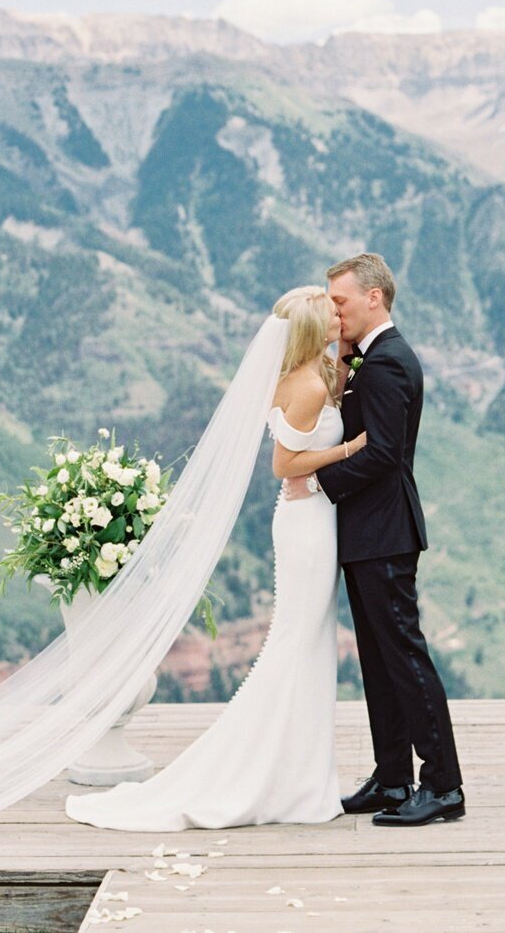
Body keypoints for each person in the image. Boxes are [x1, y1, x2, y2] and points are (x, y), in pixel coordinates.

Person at [64, 286, 366, 830]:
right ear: (309, 330)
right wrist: (351, 448)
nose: (337, 317)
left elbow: (324, 388)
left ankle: (299, 776)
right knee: (300, 641)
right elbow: (285, 463)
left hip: (311, 519)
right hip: (308, 523)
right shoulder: (306, 387)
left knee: (307, 641)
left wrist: (342, 358)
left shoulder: (304, 375)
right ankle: (288, 780)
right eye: (329, 313)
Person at [283, 254, 464, 826]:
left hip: (385, 532)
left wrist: (315, 479)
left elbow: (383, 453)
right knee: (379, 661)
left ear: (374, 298)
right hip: (367, 531)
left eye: (339, 301)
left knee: (405, 658)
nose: (333, 312)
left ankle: (443, 785)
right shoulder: (368, 359)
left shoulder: (386, 364)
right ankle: (392, 779)